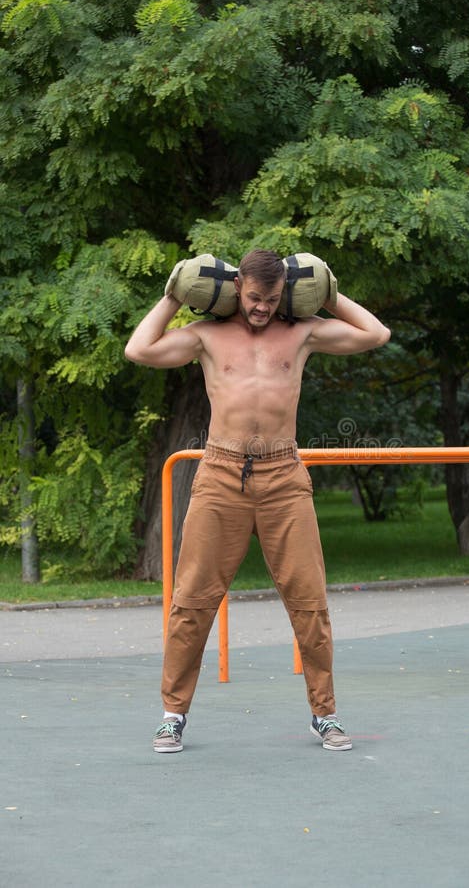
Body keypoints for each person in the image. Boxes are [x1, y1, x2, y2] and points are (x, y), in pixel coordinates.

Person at [125, 249, 391, 753]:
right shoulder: (206, 336)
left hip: (284, 476)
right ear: (236, 289)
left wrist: (329, 293)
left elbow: (377, 334)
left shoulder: (303, 331)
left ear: (284, 294)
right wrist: (172, 295)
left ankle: (325, 713)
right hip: (221, 474)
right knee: (191, 602)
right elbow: (139, 350)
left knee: (309, 602)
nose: (262, 308)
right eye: (253, 298)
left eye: (272, 299)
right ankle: (172, 714)